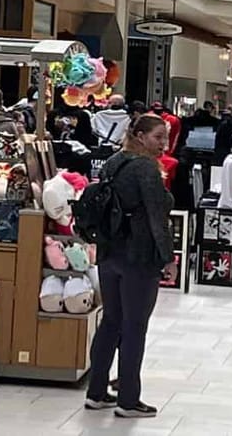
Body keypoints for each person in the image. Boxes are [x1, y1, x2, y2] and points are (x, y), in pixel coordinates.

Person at [85, 114, 176, 419]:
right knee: (135, 327)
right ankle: (128, 399)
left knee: (110, 321)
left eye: (165, 137)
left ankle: (96, 392)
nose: (164, 143)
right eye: (158, 137)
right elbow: (156, 217)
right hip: (139, 256)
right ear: (139, 136)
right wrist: (168, 258)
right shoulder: (146, 168)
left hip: (110, 252)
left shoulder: (113, 161)